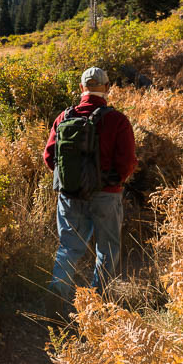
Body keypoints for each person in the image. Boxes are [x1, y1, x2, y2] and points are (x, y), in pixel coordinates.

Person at [43, 66, 137, 317]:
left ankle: (57, 291)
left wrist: (70, 180)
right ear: (107, 88)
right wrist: (115, 182)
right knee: (107, 249)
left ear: (82, 88)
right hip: (107, 195)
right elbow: (128, 161)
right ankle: (96, 304)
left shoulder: (64, 117)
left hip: (69, 194)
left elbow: (49, 157)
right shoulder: (117, 120)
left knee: (69, 246)